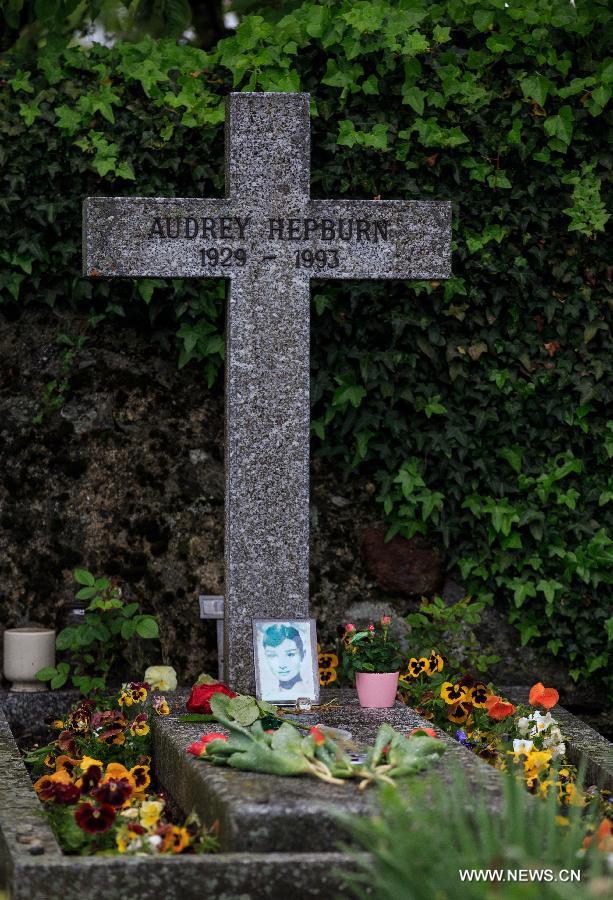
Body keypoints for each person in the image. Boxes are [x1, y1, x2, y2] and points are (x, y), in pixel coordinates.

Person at [260, 623, 311, 699]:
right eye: (272, 655)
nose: (282, 665)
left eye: (290, 654)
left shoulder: (310, 693)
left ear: (302, 654)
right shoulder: (267, 696)